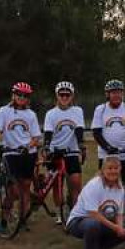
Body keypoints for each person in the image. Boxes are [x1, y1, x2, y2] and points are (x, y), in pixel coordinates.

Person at [0, 82, 42, 230]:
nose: (21, 98)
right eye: (19, 95)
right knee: (12, 190)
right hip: (11, 153)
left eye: (25, 96)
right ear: (13, 95)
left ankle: (23, 219)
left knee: (25, 187)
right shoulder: (4, 111)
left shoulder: (31, 114)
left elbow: (36, 137)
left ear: (28, 98)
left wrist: (28, 146)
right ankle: (5, 218)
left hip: (27, 154)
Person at [65, 156, 125, 249]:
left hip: (102, 221)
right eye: (110, 168)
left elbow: (119, 214)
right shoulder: (94, 185)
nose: (113, 171)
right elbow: (93, 214)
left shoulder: (120, 188)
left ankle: (100, 248)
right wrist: (115, 227)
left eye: (116, 168)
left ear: (120, 169)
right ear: (103, 170)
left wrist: (120, 228)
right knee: (93, 225)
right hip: (78, 221)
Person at [43, 81, 86, 223]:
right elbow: (48, 132)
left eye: (67, 95)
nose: (64, 97)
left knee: (75, 182)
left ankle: (75, 212)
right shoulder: (51, 114)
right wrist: (46, 146)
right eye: (62, 94)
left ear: (72, 96)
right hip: (55, 151)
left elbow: (79, 129)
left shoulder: (77, 111)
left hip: (71, 151)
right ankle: (58, 212)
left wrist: (81, 146)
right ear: (57, 96)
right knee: (57, 184)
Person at [91, 79, 125, 196]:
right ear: (107, 94)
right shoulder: (101, 109)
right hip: (106, 155)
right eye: (113, 92)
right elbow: (96, 132)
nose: (116, 95)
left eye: (119, 92)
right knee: (104, 184)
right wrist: (108, 147)